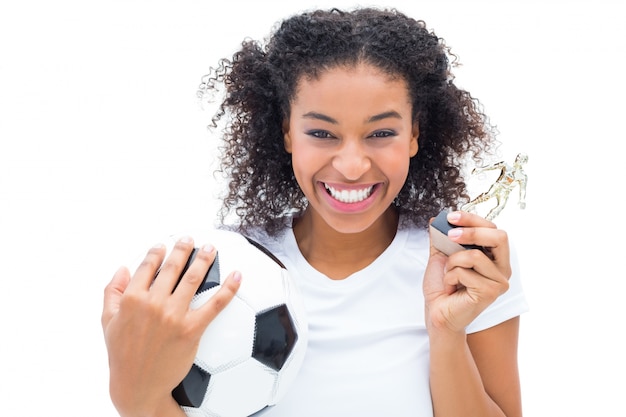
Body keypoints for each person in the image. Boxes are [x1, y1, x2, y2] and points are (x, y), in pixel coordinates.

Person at [101, 7, 528, 417]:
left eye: (381, 132)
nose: (351, 165)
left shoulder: (465, 266)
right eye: (322, 133)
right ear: (287, 132)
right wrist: (133, 393)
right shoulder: (221, 271)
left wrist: (447, 332)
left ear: (414, 134)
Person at [462, 153, 528, 220]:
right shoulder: (506, 165)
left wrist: (522, 199)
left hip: (505, 192)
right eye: (518, 157)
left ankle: (488, 220)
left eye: (521, 159)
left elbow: (523, 189)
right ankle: (470, 205)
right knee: (487, 196)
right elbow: (493, 166)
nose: (518, 159)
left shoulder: (523, 176)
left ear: (524, 162)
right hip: (498, 186)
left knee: (501, 206)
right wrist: (481, 169)